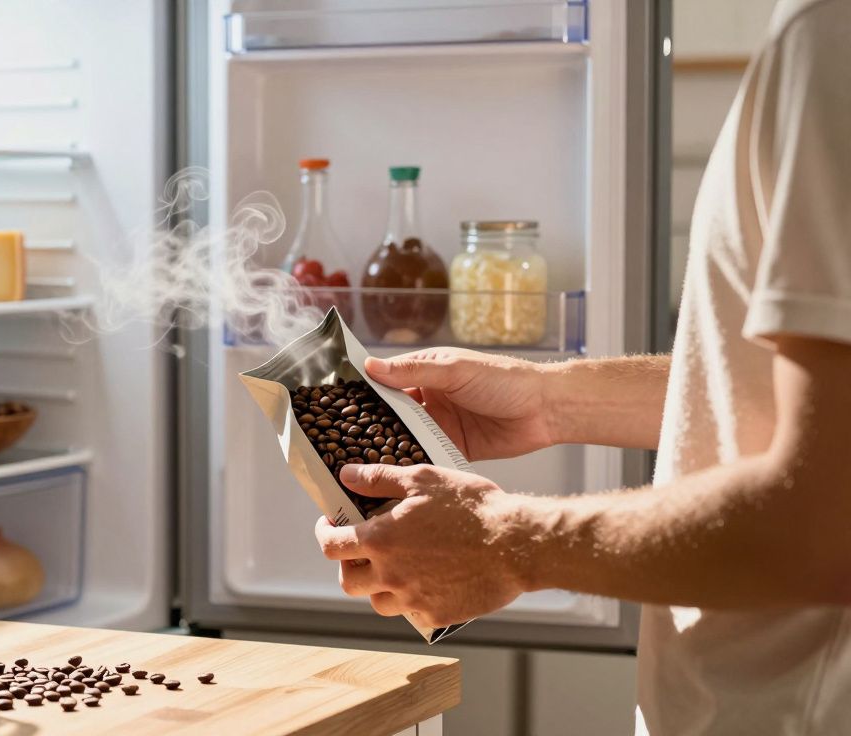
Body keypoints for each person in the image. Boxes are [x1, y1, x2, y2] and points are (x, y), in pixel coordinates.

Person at [312, 1, 851, 733]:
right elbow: (788, 403)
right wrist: (550, 401)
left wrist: (507, 541)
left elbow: (821, 523)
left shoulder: (829, 37)